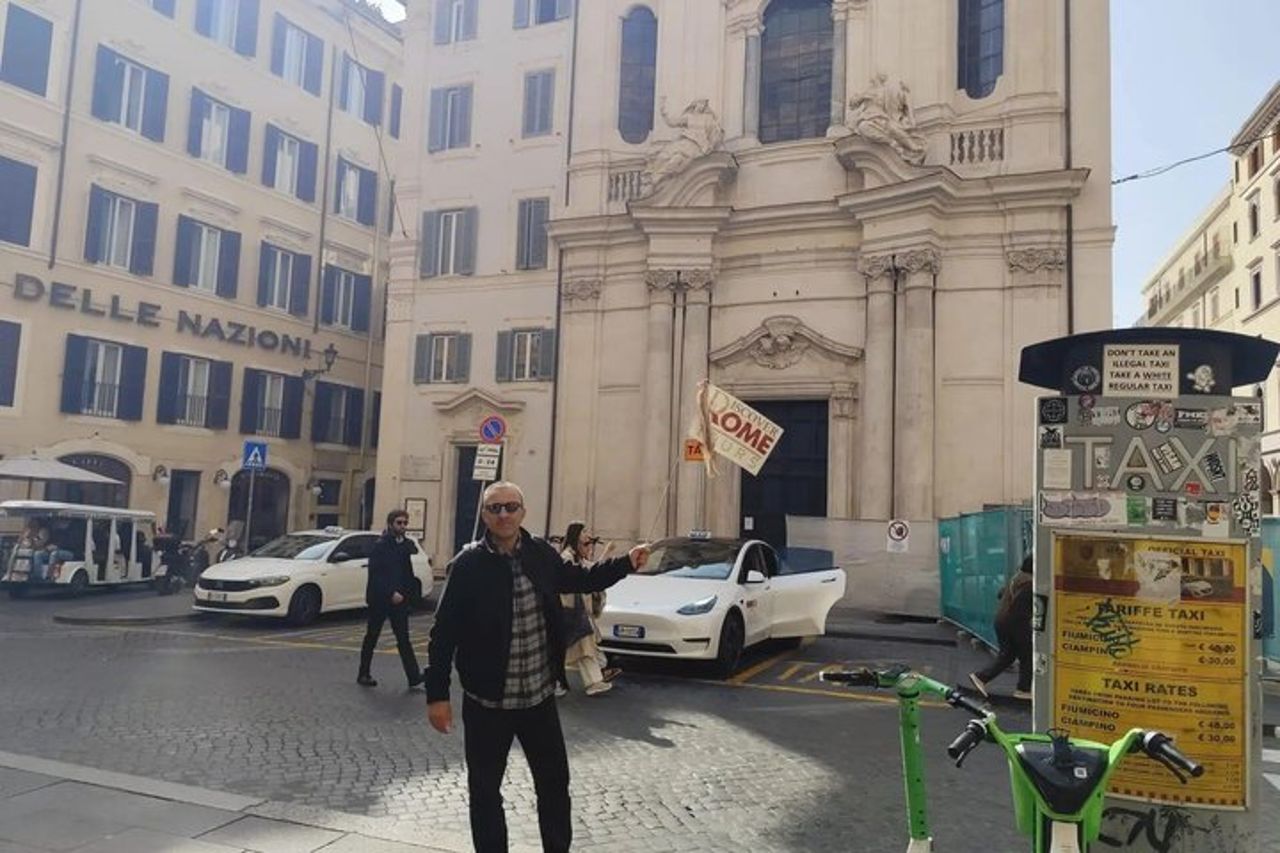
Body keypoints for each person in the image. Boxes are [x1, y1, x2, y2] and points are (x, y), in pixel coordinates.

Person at [425, 481, 650, 853]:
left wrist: (626, 562)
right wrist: (437, 695)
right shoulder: (467, 565)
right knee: (484, 793)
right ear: (484, 515)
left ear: (523, 512)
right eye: (495, 508)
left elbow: (582, 578)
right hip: (487, 703)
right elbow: (443, 632)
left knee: (553, 785)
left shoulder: (541, 555)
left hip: (538, 699)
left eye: (511, 507)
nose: (503, 515)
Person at [357, 510, 423, 689]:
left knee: (404, 638)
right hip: (380, 598)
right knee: (372, 635)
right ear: (390, 524)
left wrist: (407, 596)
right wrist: (390, 592)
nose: (402, 526)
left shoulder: (403, 545)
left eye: (405, 523)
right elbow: (377, 574)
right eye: (399, 523)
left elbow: (406, 572)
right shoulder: (381, 545)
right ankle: (363, 673)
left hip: (400, 599)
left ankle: (414, 676)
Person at [558, 522, 618, 697]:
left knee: (580, 648)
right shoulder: (567, 557)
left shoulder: (577, 557)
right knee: (581, 647)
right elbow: (586, 575)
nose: (588, 536)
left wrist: (607, 553)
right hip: (570, 611)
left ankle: (597, 675)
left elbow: (593, 572)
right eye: (584, 533)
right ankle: (595, 680)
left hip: (579, 612)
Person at [970, 555, 1034, 701]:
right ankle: (1023, 689)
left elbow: (1000, 593)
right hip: (1015, 623)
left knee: (1008, 655)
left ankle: (980, 677)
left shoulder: (1017, 578)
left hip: (1001, 621)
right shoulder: (1030, 584)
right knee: (1027, 655)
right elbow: (1019, 609)